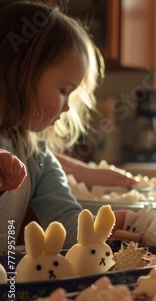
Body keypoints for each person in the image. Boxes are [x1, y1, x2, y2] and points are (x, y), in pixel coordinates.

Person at [0, 1, 126, 253]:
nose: (67, 107)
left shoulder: (36, 154)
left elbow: (69, 225)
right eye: (63, 91)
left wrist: (122, 223)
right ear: (22, 71)